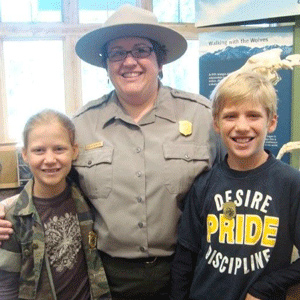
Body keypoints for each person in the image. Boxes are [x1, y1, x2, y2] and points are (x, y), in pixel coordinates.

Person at [0, 5, 222, 299]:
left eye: (141, 50)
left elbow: (233, 178)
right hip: (107, 277)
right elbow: (54, 178)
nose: (129, 62)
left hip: (187, 272)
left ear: (161, 58)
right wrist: (9, 209)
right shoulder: (82, 125)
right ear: (106, 65)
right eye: (117, 53)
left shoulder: (203, 118)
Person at [170, 72, 300, 300]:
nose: (241, 127)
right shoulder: (203, 184)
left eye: (253, 115)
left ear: (271, 122)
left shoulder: (290, 183)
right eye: (230, 116)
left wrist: (266, 287)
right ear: (216, 124)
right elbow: (185, 259)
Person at [0, 109, 111, 300]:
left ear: (74, 151)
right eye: (38, 150)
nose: (50, 160)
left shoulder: (89, 198)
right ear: (25, 154)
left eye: (59, 149)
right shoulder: (12, 218)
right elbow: (7, 286)